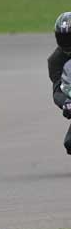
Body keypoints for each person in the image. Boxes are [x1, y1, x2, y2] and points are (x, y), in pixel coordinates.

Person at [48, 11, 71, 154]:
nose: (68, 42)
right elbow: (57, 89)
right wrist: (66, 103)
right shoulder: (56, 60)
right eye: (64, 38)